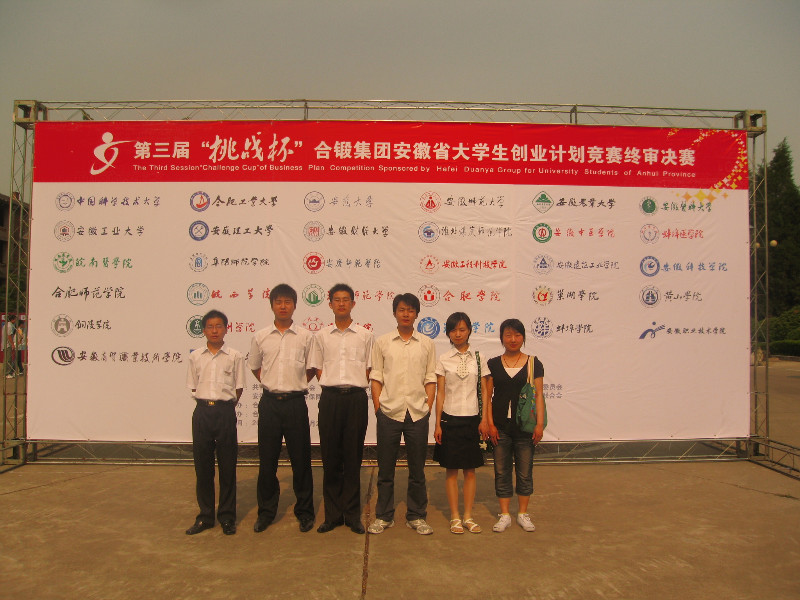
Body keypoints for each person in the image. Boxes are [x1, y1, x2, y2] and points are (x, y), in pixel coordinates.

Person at [249, 283, 317, 533]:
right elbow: (255, 367)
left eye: (288, 302)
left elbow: (311, 368)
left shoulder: (305, 337)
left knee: (301, 461)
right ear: (272, 306)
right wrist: (273, 384)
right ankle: (266, 512)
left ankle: (305, 512)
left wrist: (293, 385)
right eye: (278, 302)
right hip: (270, 405)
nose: (283, 306)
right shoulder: (260, 336)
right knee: (267, 461)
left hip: (295, 404)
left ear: (295, 306)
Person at [368, 293, 436, 535]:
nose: (406, 314)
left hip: (417, 413)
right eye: (401, 310)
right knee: (385, 469)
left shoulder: (426, 343)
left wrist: (427, 407)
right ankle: (384, 516)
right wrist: (378, 407)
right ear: (395, 313)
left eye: (410, 310)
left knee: (417, 470)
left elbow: (430, 377)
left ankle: (416, 516)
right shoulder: (383, 342)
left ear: (417, 314)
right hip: (389, 412)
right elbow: (376, 377)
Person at [309, 283, 374, 534]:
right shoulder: (321, 336)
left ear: (353, 303)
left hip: (356, 399)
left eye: (346, 299)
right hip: (330, 399)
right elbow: (317, 368)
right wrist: (334, 384)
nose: (341, 303)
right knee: (331, 457)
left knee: (353, 457)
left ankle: (352, 515)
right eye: (337, 300)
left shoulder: (365, 335)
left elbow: (369, 368)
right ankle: (333, 515)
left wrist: (353, 384)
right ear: (330, 304)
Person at [185, 309, 246, 535]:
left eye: (219, 326)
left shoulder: (235, 356)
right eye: (210, 327)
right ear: (203, 330)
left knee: (228, 467)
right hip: (202, 413)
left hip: (225, 412)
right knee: (203, 468)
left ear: (226, 329)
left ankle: (227, 517)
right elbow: (193, 386)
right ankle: (205, 516)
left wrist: (224, 406)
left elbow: (239, 387)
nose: (214, 330)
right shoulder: (195, 357)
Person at [485, 318, 544, 533]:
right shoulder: (492, 364)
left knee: (525, 472)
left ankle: (522, 514)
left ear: (523, 337)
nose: (513, 339)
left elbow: (539, 395)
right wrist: (490, 424)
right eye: (508, 335)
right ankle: (504, 515)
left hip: (525, 427)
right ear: (501, 338)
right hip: (500, 427)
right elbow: (487, 397)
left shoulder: (533, 363)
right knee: (501, 471)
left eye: (517, 335)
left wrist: (539, 424)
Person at [433, 312, 490, 534]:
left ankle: (468, 516)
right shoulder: (444, 359)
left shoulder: (479, 357)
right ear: (448, 333)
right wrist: (438, 424)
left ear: (469, 331)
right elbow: (440, 393)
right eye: (453, 330)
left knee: (470, 471)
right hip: (450, 418)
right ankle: (455, 516)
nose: (458, 334)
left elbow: (484, 392)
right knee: (451, 470)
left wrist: (484, 419)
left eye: (462, 329)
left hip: (473, 419)